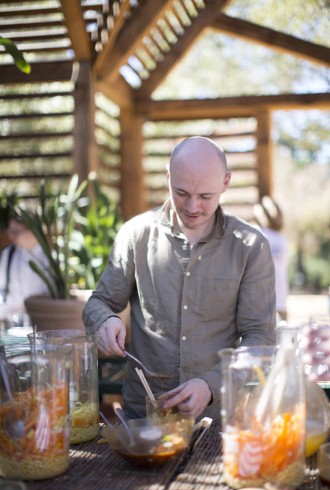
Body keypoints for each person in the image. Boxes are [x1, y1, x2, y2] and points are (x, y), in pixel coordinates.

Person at [83, 136, 277, 421]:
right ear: (168, 177)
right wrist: (104, 320)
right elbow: (98, 303)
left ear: (225, 182)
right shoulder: (135, 234)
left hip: (219, 418)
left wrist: (211, 385)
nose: (193, 206)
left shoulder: (250, 246)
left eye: (205, 196)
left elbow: (260, 337)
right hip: (144, 414)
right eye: (181, 192)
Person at [0, 213, 51, 325]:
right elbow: (2, 289)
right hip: (11, 323)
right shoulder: (9, 253)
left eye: (17, 232)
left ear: (33, 230)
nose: (12, 237)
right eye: (10, 232)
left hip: (41, 323)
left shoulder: (49, 258)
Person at [253, 196, 290, 322]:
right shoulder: (283, 240)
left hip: (260, 298)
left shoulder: (255, 235)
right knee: (282, 335)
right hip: (280, 296)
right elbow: (284, 266)